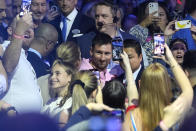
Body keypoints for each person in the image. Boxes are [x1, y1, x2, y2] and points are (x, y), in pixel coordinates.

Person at [123, 44, 193, 131]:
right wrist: (171, 59)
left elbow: (131, 91)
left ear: (141, 85)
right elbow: (188, 90)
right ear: (167, 85)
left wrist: (127, 67)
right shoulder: (176, 111)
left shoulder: (131, 117)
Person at [1, 13, 43, 113]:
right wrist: (19, 33)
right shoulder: (3, 49)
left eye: (31, 28)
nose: (28, 30)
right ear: (10, 30)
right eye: (22, 26)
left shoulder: (25, 57)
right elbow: (8, 66)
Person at [41, 60, 75, 127]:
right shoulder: (50, 102)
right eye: (52, 74)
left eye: (57, 73)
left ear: (69, 77)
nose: (52, 77)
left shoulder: (71, 102)